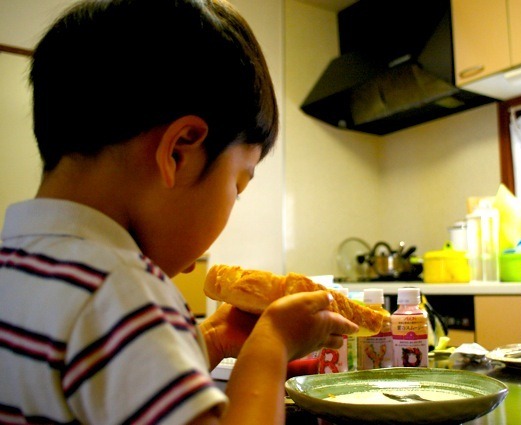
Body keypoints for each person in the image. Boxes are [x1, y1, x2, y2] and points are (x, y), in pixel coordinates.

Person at [0, 0, 358, 423]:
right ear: (180, 150)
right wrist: (272, 346)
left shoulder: (19, 268)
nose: (234, 202)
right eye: (238, 185)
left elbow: (109, 388)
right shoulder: (123, 291)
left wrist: (215, 341)